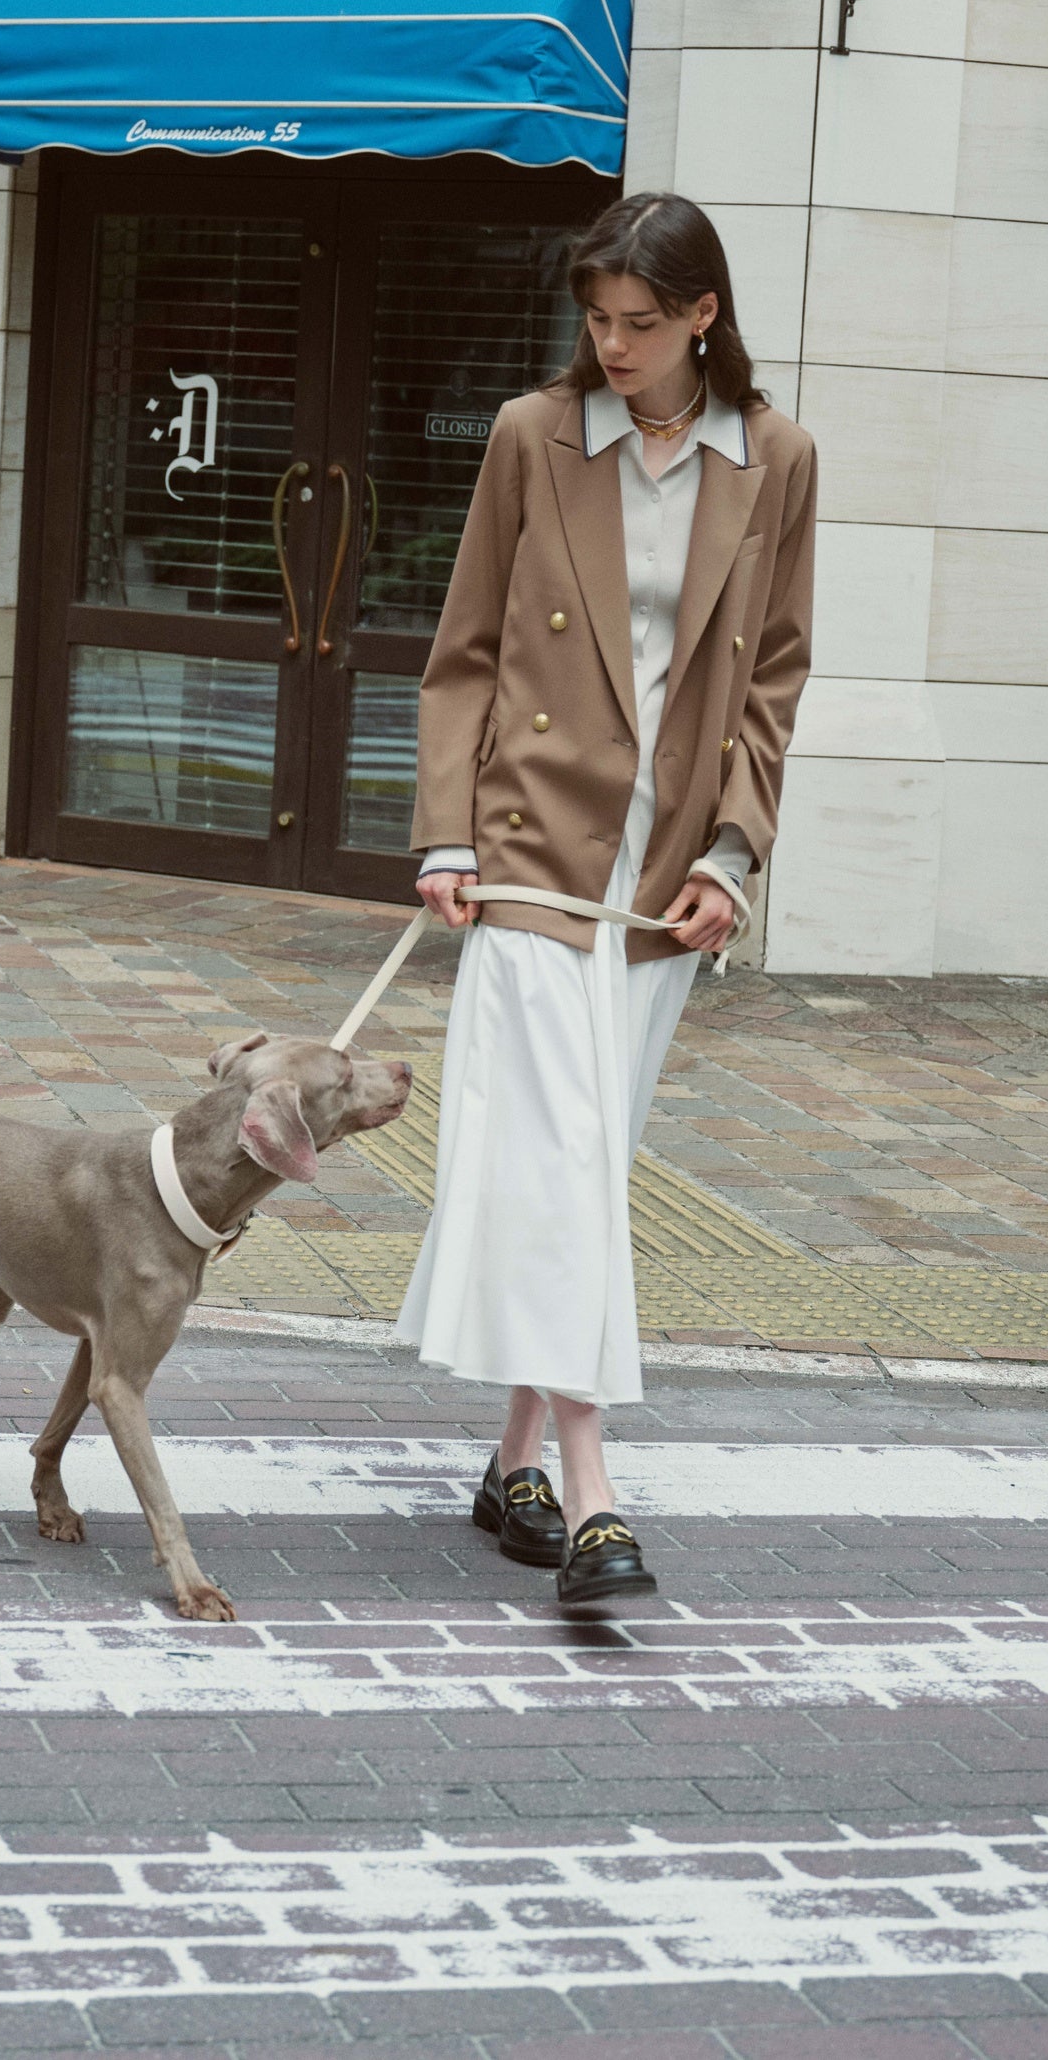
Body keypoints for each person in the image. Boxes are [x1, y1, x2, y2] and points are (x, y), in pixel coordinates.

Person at [397, 192, 817, 1609]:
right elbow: (463, 651)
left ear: (704, 315)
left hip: (663, 871)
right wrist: (443, 836)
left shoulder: (773, 458)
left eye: (640, 321)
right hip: (528, 846)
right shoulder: (535, 436)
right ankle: (589, 1493)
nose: (613, 345)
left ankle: (509, 1457)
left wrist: (734, 854)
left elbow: (772, 677)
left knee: (579, 1165)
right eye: (596, 319)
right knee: (566, 1154)